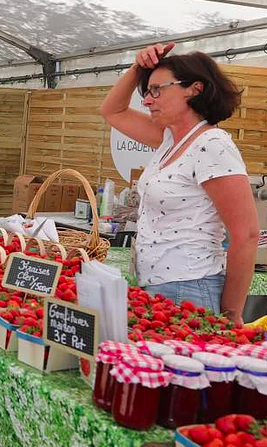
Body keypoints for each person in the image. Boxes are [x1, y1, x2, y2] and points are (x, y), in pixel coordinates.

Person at [100, 42, 258, 325]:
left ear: (195, 89)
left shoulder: (211, 145)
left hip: (190, 287)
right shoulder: (170, 139)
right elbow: (112, 111)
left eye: (157, 90)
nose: (148, 100)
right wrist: (138, 69)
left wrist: (232, 311)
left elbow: (246, 234)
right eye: (147, 92)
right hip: (155, 283)